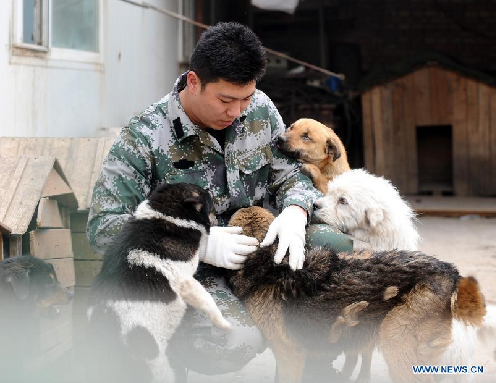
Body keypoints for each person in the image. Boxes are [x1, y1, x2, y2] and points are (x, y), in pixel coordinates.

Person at [87, 21, 352, 380]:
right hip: (197, 272)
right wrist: (196, 244)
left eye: (246, 98)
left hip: (260, 245)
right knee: (231, 342)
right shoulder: (145, 136)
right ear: (193, 82)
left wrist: (294, 210)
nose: (238, 111)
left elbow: (290, 175)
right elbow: (103, 228)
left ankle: (317, 363)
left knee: (341, 251)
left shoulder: (258, 109)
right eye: (226, 100)